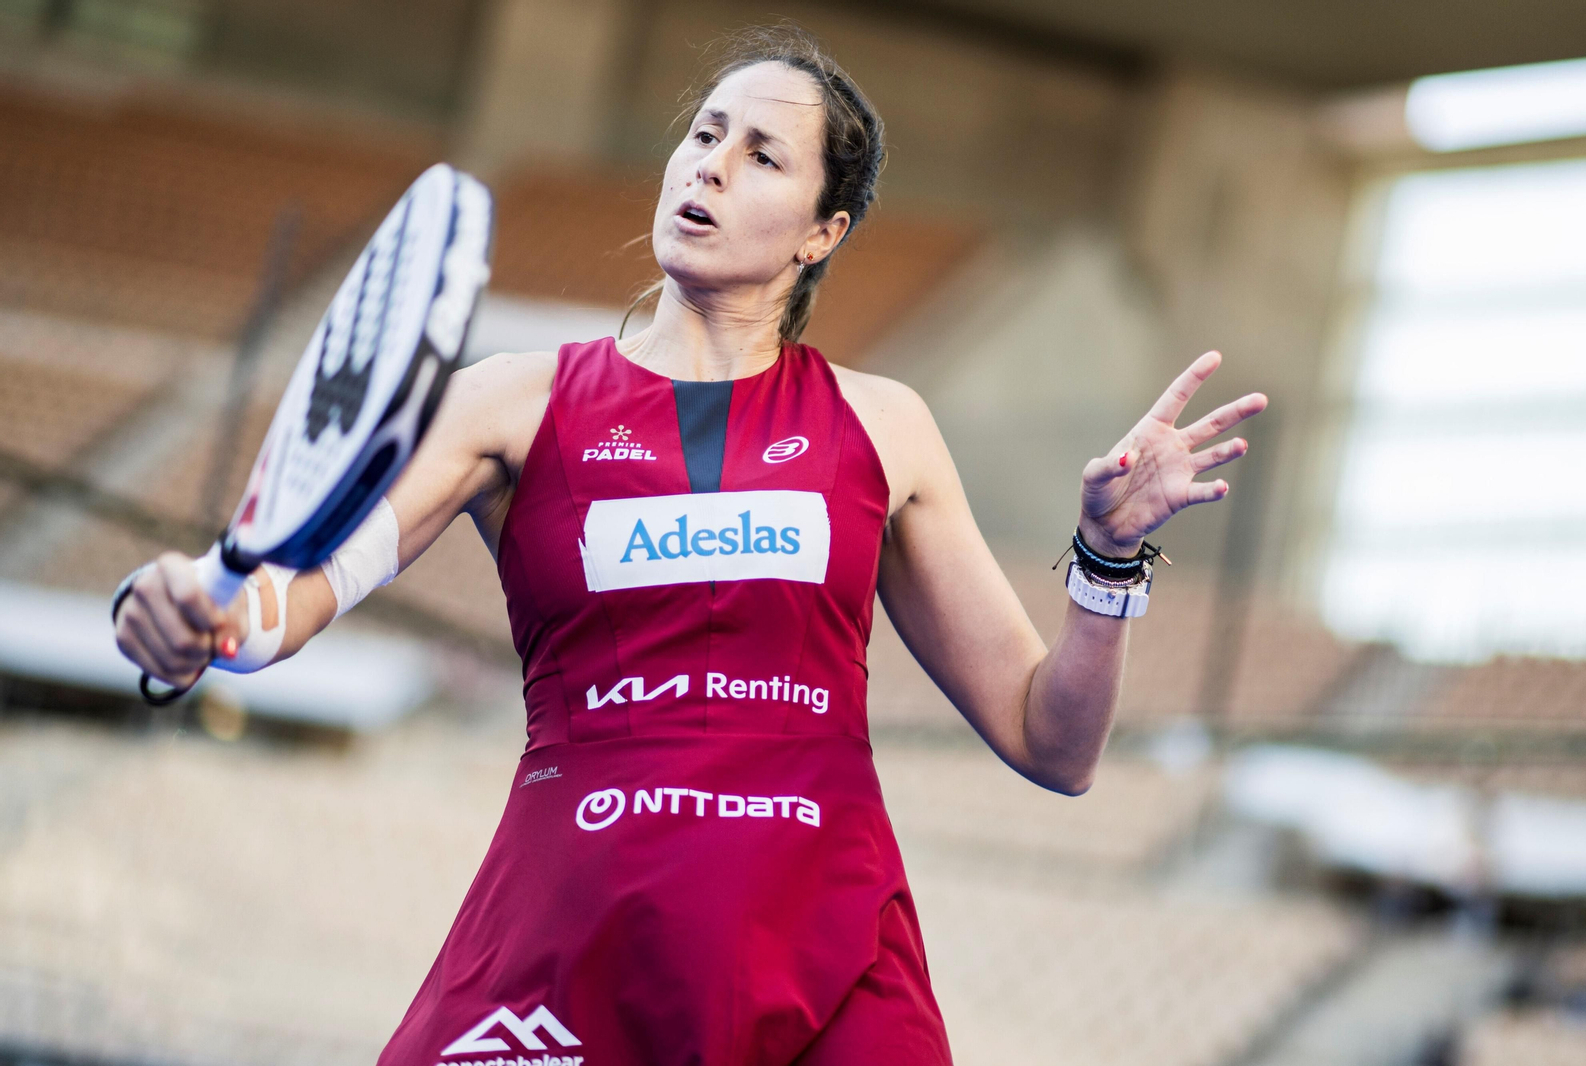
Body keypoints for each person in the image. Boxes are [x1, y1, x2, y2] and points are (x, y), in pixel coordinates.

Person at [113, 26, 1266, 1066]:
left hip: (832, 965)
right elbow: (288, 601)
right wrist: (179, 616)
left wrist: (1107, 558)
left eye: (761, 154)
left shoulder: (886, 427)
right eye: (705, 133)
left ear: (823, 231)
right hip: (572, 946)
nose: (708, 165)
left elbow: (1053, 745)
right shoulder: (509, 403)